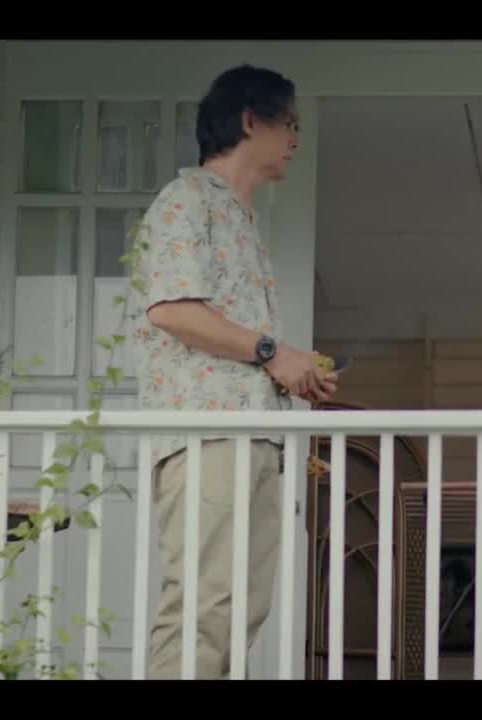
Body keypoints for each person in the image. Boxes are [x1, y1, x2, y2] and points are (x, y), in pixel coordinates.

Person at [131, 64, 338, 679]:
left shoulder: (242, 219)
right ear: (251, 120)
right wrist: (275, 353)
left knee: (243, 606)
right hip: (207, 432)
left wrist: (291, 368)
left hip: (253, 436)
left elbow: (235, 338)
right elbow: (172, 310)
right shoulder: (187, 200)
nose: (296, 139)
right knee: (204, 605)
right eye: (289, 124)